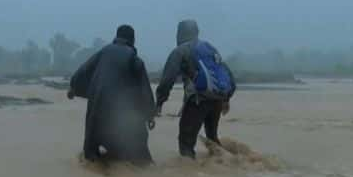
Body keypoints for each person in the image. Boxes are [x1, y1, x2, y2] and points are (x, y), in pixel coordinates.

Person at [67, 25, 156, 166]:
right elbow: (144, 88)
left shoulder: (103, 52)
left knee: (90, 159)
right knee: (142, 159)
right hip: (120, 113)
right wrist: (150, 115)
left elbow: (83, 71)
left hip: (96, 111)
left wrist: (73, 88)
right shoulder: (134, 58)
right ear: (132, 40)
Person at [156, 20, 236, 159]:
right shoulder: (210, 48)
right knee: (212, 139)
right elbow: (227, 74)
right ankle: (223, 166)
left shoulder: (180, 51)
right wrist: (226, 98)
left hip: (197, 102)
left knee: (186, 143)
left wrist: (159, 103)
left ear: (180, 33)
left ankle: (190, 173)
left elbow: (167, 79)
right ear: (197, 32)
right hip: (217, 100)